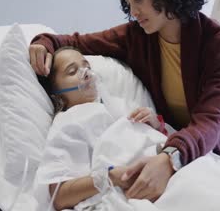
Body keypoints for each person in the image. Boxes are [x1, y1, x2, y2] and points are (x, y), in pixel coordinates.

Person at [30, 0, 220, 203]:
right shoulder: (136, 37)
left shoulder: (218, 45)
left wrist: (169, 158)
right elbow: (76, 42)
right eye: (128, 2)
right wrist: (44, 43)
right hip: (170, 142)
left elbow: (209, 123)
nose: (133, 11)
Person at [36, 46, 168, 210]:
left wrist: (154, 123)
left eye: (87, 66)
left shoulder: (115, 105)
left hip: (166, 168)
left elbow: (155, 140)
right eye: (72, 71)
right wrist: (109, 178)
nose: (86, 73)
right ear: (57, 94)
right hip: (137, 187)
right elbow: (59, 196)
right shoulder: (67, 121)